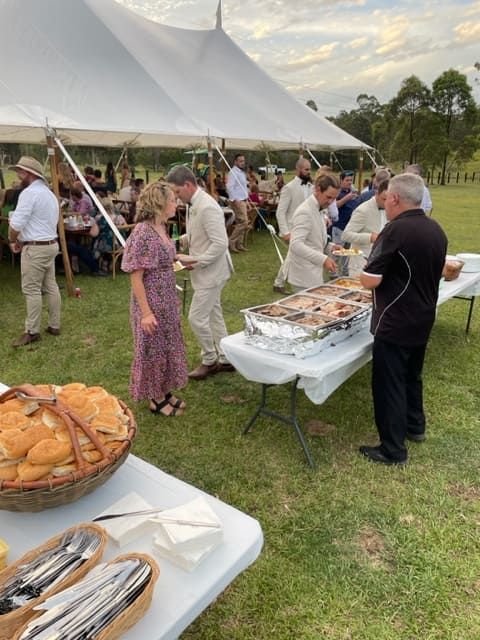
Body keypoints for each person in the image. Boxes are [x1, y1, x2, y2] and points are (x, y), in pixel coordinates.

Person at [359, 173, 448, 465]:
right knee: (412, 376)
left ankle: (392, 449)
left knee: (390, 383)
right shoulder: (436, 230)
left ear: (395, 198)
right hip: (423, 316)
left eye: (387, 198)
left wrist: (365, 272)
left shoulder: (395, 230)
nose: (385, 203)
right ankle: (415, 427)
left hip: (395, 320)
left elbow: (370, 280)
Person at [121, 182, 188, 416]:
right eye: (172, 199)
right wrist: (146, 313)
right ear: (159, 204)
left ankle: (164, 389)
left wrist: (185, 260)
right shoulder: (143, 233)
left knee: (168, 345)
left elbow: (166, 259)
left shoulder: (162, 227)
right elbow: (136, 276)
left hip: (167, 299)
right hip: (150, 302)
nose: (175, 203)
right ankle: (155, 398)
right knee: (152, 350)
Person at [166, 165, 235, 380]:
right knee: (214, 313)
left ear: (187, 185)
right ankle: (225, 358)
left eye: (177, 192)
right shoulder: (193, 204)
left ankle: (210, 360)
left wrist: (195, 261)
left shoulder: (207, 206)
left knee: (196, 318)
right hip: (207, 271)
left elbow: (220, 243)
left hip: (213, 272)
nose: (176, 198)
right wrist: (179, 241)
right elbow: (198, 231)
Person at [7, 156, 61, 346]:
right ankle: (54, 325)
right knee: (51, 285)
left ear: (29, 174)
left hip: (36, 247)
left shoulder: (29, 194)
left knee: (31, 289)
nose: (18, 175)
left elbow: (16, 224)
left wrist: (12, 240)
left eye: (20, 171)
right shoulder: (50, 194)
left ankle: (32, 331)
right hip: (51, 244)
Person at [284, 173, 340, 291]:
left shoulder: (319, 209)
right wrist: (323, 259)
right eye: (328, 197)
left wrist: (330, 247)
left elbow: (314, 240)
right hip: (303, 276)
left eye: (334, 199)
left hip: (313, 274)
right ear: (318, 190)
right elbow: (295, 245)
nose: (330, 202)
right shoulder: (305, 211)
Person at [273, 158, 313, 293]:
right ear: (298, 169)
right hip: (292, 229)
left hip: (307, 229)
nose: (309, 172)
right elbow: (280, 212)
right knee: (293, 256)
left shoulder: (311, 187)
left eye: (309, 169)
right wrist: (285, 232)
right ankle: (280, 282)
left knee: (293, 256)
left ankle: (279, 283)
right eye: (306, 169)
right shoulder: (289, 188)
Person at [341, 179, 389, 277]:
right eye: (384, 199)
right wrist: (370, 237)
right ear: (376, 193)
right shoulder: (363, 210)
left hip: (378, 263)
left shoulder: (388, 209)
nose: (386, 203)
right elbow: (346, 235)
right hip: (359, 264)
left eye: (388, 200)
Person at [226, 153, 249, 253]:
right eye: (240, 161)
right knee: (244, 222)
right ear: (235, 162)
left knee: (242, 222)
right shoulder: (233, 172)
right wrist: (235, 200)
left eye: (243, 161)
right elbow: (229, 187)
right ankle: (231, 242)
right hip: (237, 201)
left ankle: (239, 244)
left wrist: (246, 199)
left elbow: (242, 187)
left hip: (243, 199)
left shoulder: (241, 172)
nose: (242, 163)